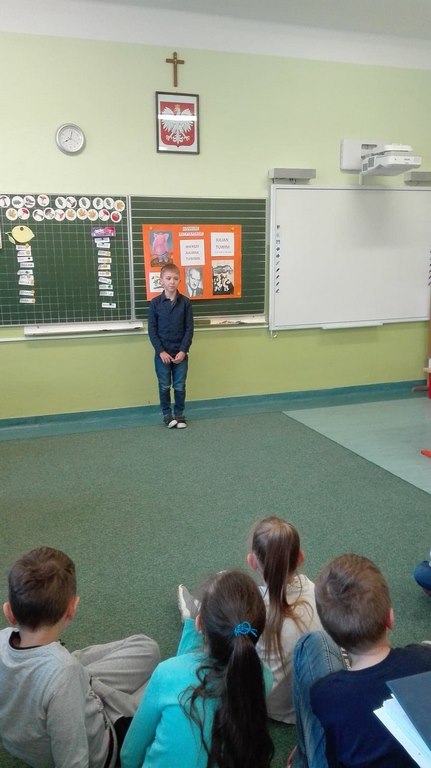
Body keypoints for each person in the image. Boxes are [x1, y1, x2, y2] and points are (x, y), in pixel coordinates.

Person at [0, 546, 160, 768]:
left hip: (65, 680)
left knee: (147, 647)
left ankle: (88, 681)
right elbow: (73, 761)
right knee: (170, 686)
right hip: (108, 741)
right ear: (72, 609)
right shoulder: (64, 675)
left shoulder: (3, 640)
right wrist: (76, 683)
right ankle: (96, 687)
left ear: (8, 612)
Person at [121, 569, 274, 768]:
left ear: (200, 623)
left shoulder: (166, 673)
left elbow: (129, 756)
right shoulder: (263, 677)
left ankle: (189, 616)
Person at [292, 553, 431, 768]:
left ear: (334, 635)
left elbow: (334, 755)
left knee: (312, 642)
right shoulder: (424, 658)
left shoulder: (325, 693)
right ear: (390, 618)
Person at [247, 516, 322, 724]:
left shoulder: (253, 610)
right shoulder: (318, 594)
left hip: (271, 705)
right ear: (300, 558)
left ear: (252, 561)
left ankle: (196, 615)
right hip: (309, 703)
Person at [148, 263, 194, 429]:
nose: (171, 282)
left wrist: (183, 350)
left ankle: (179, 415)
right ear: (161, 281)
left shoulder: (185, 303)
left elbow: (189, 329)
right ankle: (167, 415)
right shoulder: (155, 303)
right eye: (168, 278)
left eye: (175, 278)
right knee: (164, 386)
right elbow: (152, 330)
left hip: (180, 354)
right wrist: (161, 352)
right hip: (163, 355)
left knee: (180, 386)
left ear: (180, 280)